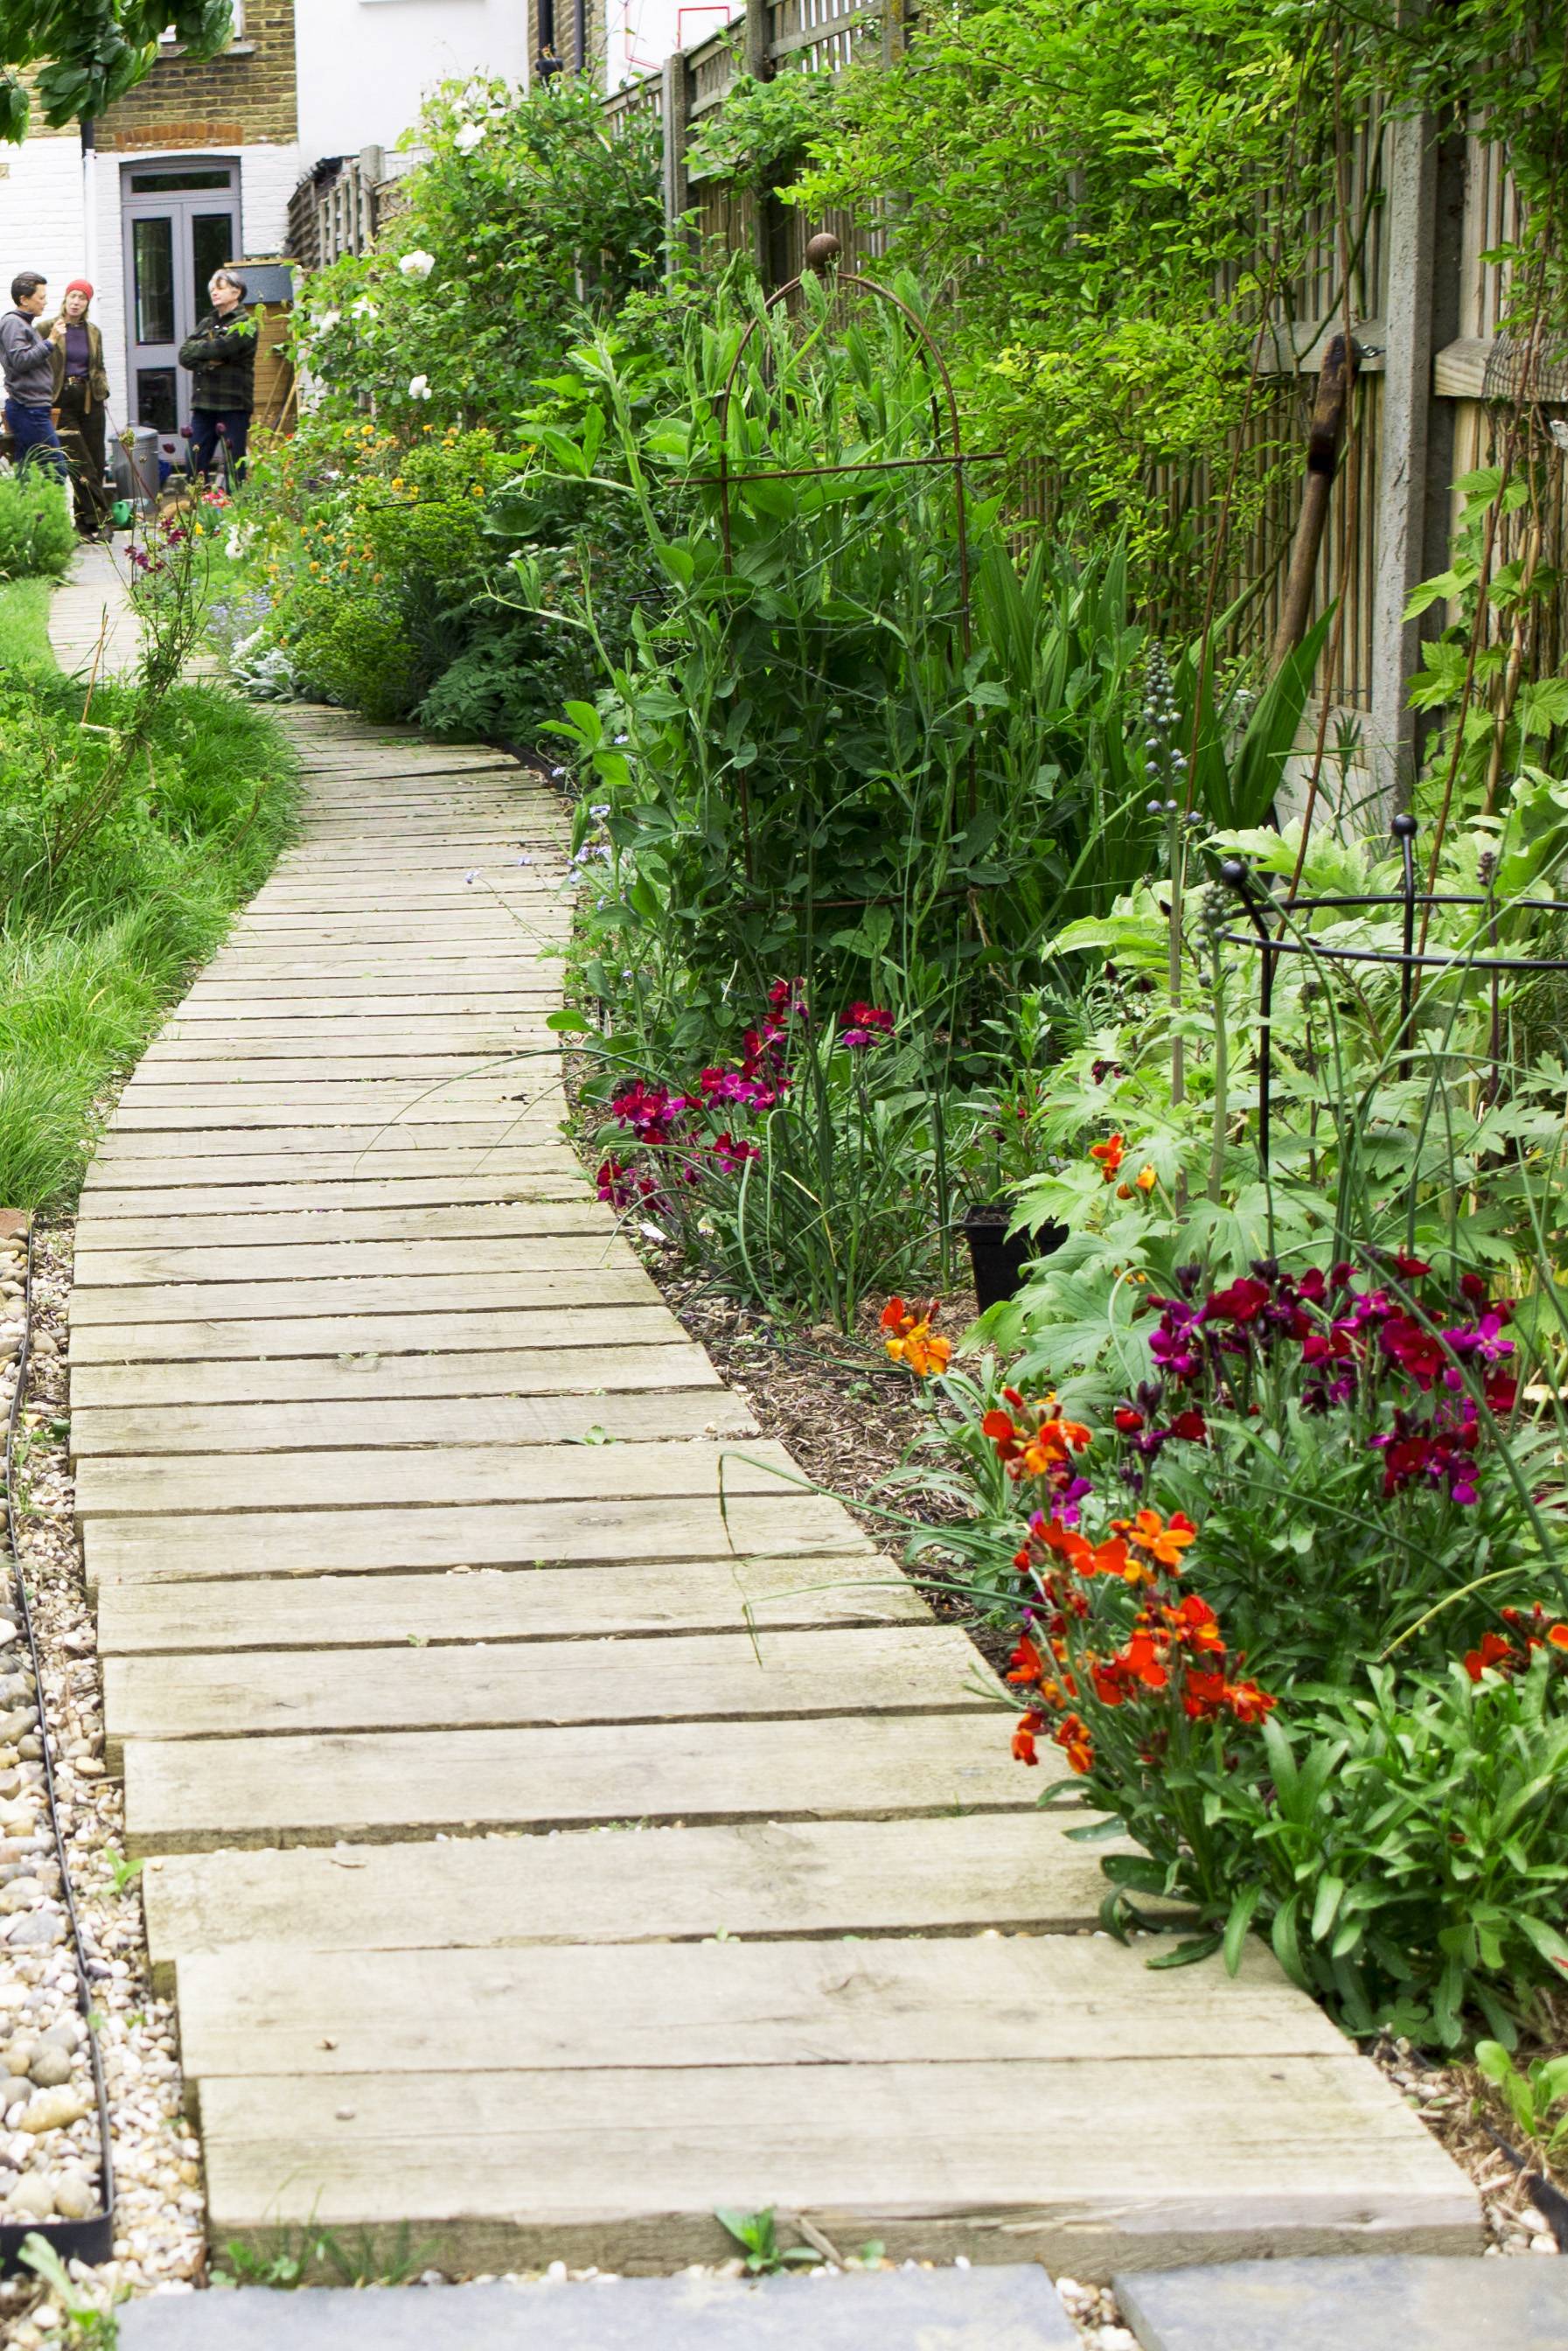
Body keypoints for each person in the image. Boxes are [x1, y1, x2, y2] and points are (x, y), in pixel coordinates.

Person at [46, 280, 113, 538]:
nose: (76, 302)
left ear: (87, 303)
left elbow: (100, 364)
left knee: (95, 460)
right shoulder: (48, 328)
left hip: (91, 400)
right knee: (79, 461)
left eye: (82, 298)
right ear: (65, 299)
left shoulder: (93, 331)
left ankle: (84, 525)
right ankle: (104, 519)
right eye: (73, 296)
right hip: (62, 401)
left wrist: (102, 389)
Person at [178, 269, 257, 485]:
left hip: (233, 405)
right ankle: (199, 511)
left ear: (236, 291)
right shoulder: (207, 322)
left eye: (219, 288)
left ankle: (236, 513)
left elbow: (224, 349)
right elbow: (184, 355)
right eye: (212, 289)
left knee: (234, 466)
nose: (214, 292)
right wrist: (210, 360)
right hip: (204, 405)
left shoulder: (246, 323)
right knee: (194, 462)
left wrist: (204, 353)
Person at [0, 271, 69, 485]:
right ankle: (52, 516)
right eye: (41, 297)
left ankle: (25, 516)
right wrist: (51, 341)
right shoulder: (14, 323)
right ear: (24, 299)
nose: (45, 302)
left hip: (32, 407)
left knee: (26, 472)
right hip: (28, 409)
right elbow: (20, 361)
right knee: (56, 470)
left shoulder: (24, 323)